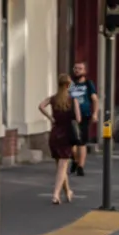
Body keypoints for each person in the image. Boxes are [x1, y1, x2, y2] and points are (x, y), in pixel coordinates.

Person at [40, 74, 81, 204]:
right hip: (67, 134)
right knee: (63, 166)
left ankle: (68, 191)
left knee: (60, 167)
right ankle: (55, 194)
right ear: (68, 85)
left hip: (55, 134)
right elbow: (78, 119)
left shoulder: (53, 99)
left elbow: (41, 106)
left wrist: (51, 118)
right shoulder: (72, 100)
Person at [69, 62, 98, 177]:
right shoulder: (71, 84)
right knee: (72, 142)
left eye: (80, 68)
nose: (77, 70)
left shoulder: (88, 84)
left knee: (82, 142)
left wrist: (95, 113)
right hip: (71, 116)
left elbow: (95, 99)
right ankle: (75, 160)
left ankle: (80, 166)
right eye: (75, 68)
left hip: (84, 115)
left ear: (85, 71)